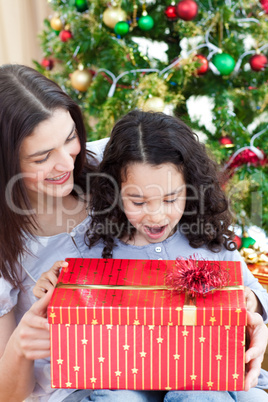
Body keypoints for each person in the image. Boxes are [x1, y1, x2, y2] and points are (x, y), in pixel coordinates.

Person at [0, 65, 160, 402]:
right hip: (77, 390)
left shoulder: (109, 162)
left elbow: (205, 233)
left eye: (70, 137)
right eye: (43, 156)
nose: (66, 163)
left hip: (157, 355)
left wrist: (252, 303)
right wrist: (20, 346)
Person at [83, 110, 268, 401]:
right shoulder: (102, 249)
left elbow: (257, 293)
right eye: (138, 201)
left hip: (204, 371)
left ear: (191, 190)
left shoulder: (206, 241)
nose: (156, 215)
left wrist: (251, 302)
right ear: (115, 193)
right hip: (130, 377)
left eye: (170, 199)